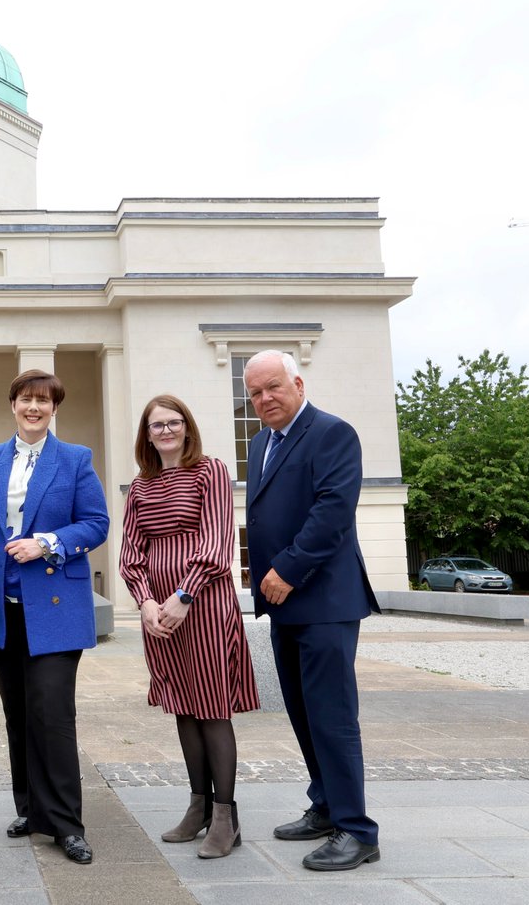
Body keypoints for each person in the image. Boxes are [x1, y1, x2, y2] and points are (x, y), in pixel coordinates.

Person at [0, 370, 109, 865]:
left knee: (53, 715)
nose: (34, 407)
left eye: (43, 401)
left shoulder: (75, 458)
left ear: (54, 408)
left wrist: (47, 543)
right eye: (26, 399)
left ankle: (65, 823)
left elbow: (97, 523)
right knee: (18, 714)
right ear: (13, 405)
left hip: (56, 608)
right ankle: (31, 808)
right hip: (0, 607)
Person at [243, 349, 381, 871]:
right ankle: (325, 807)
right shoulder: (261, 443)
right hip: (285, 605)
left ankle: (356, 830)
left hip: (323, 599)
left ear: (297, 383)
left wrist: (287, 569)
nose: (264, 399)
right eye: (254, 393)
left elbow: (332, 512)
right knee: (302, 713)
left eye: (273, 387)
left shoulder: (332, 433)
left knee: (332, 716)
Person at [119, 395, 259, 859]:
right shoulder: (141, 485)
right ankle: (197, 808)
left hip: (203, 604)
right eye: (156, 425)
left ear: (187, 426)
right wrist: (146, 603)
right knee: (183, 704)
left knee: (212, 706)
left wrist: (184, 595)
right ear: (147, 434)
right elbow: (130, 554)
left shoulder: (210, 470)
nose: (166, 431)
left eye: (173, 422)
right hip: (159, 614)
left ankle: (225, 816)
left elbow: (219, 542)